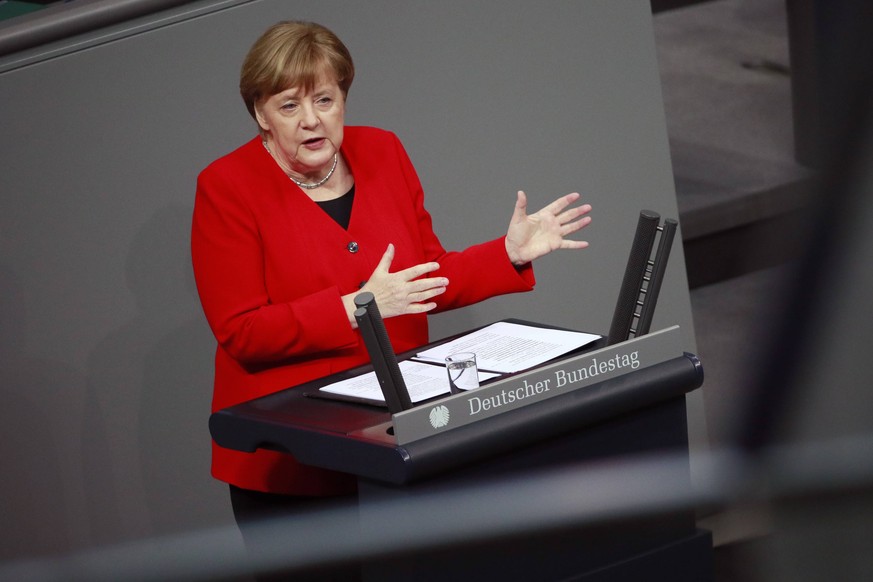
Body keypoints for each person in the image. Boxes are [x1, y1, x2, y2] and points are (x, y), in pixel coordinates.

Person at [190, 18, 592, 557]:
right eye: (289, 106)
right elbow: (241, 331)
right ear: (260, 111)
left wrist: (507, 253)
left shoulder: (383, 152)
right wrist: (356, 308)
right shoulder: (226, 187)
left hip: (399, 439)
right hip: (296, 462)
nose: (311, 120)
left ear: (344, 100)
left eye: (325, 100)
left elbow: (424, 278)